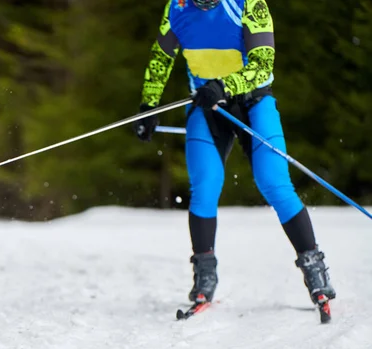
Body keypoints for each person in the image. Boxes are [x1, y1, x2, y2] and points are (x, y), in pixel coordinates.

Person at [132, 0, 336, 307]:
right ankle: (205, 274)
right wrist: (149, 105)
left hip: (254, 103)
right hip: (207, 107)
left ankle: (314, 268)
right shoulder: (176, 7)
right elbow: (161, 58)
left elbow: (263, 65)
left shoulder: (249, 5)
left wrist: (224, 86)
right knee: (205, 185)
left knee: (274, 183)